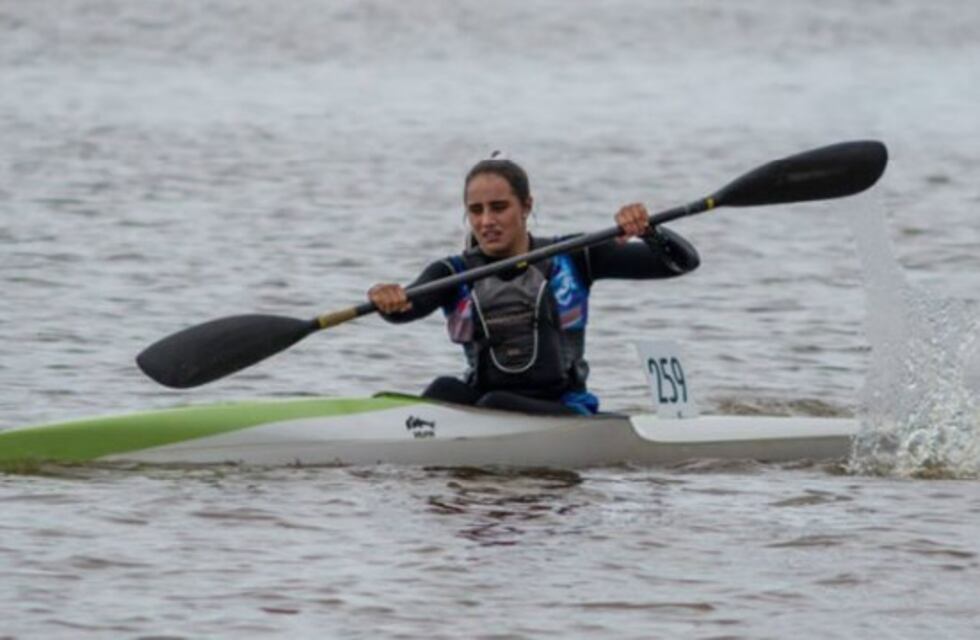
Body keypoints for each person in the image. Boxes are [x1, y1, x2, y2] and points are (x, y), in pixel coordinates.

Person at [368, 153, 700, 415]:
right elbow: (405, 309)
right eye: (476, 211)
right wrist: (387, 300)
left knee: (495, 403)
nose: (486, 221)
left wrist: (650, 231)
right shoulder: (452, 272)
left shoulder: (575, 256)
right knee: (445, 389)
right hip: (486, 405)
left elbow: (681, 263)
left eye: (499, 208)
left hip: (563, 408)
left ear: (526, 206)